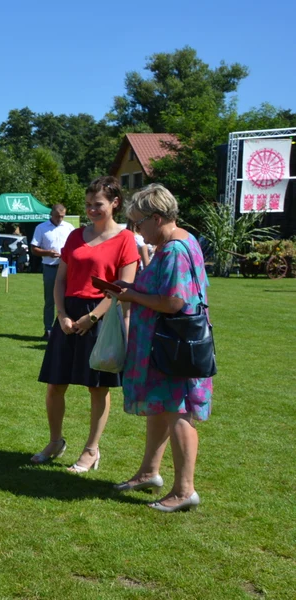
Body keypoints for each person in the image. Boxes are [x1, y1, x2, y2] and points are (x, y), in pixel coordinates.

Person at [111, 184, 211, 512]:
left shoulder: (174, 250)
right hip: (165, 345)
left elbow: (173, 301)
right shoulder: (178, 241)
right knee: (160, 407)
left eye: (138, 223)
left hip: (174, 347)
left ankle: (185, 491)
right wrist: (134, 287)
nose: (135, 230)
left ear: (156, 218)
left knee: (179, 413)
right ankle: (149, 473)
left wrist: (131, 295)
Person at [33, 177, 139, 473]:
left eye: (99, 204)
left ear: (115, 203)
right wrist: (63, 314)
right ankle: (55, 442)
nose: (92, 210)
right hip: (68, 312)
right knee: (55, 385)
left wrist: (92, 317)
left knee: (97, 388)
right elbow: (60, 280)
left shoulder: (125, 239)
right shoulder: (75, 236)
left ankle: (92, 450)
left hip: (102, 316)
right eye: (88, 204)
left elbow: (123, 288)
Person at [31, 204, 75, 339]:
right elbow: (34, 248)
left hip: (67, 268)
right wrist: (47, 253)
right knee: (50, 300)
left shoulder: (69, 228)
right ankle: (48, 329)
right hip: (50, 267)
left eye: (62, 216)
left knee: (68, 299)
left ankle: (68, 327)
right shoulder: (41, 228)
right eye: (57, 216)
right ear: (51, 214)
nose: (59, 219)